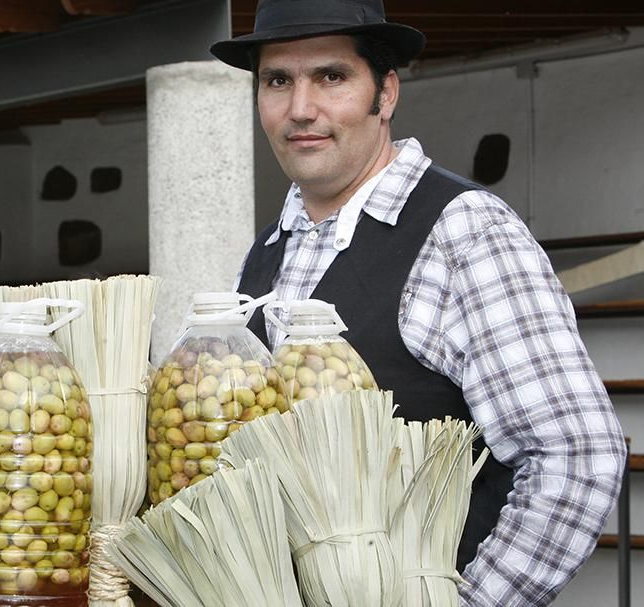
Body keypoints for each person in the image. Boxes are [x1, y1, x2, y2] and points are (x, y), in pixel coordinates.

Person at [211, 0, 627, 605]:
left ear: (385, 93)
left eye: (331, 76)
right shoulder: (265, 256)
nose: (300, 109)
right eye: (278, 81)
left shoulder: (463, 232)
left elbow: (575, 456)